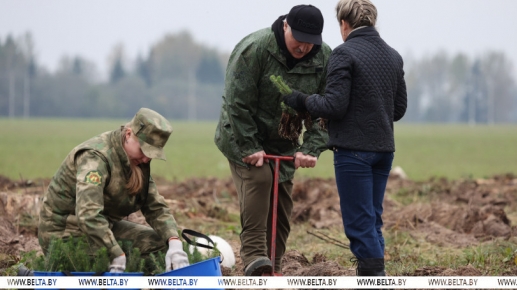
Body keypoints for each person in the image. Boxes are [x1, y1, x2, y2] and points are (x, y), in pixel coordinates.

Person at [273, 0, 407, 276]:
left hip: (354, 152)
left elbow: (334, 106)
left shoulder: (344, 54)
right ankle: (373, 275)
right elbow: (399, 109)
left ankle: (374, 279)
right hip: (384, 151)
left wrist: (302, 100)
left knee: (359, 224)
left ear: (344, 25)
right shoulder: (393, 56)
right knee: (372, 220)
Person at [214, 4, 331, 276]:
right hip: (242, 132)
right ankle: (255, 258)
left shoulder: (324, 58)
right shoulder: (255, 48)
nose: (303, 48)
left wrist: (311, 148)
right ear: (286, 26)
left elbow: (326, 109)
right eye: (298, 40)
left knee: (282, 199)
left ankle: (273, 266)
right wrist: (250, 146)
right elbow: (237, 103)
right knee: (260, 179)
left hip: (283, 139)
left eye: (310, 43)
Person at [38, 108, 189, 273]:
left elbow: (155, 206)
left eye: (152, 154)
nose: (146, 158)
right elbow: (88, 215)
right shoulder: (95, 158)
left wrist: (174, 243)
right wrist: (116, 253)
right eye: (144, 150)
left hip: (104, 229)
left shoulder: (136, 161)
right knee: (114, 263)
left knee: (161, 246)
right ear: (129, 134)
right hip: (66, 235)